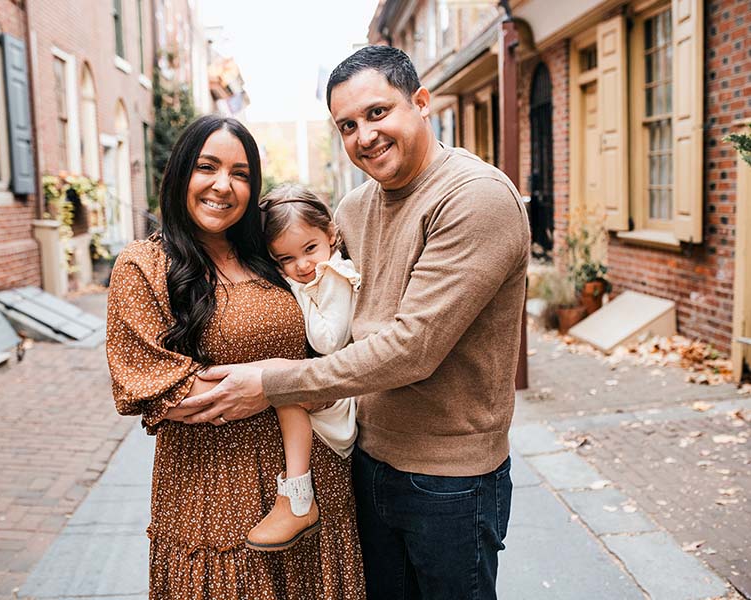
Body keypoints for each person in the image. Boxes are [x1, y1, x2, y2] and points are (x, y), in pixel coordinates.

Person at [180, 46, 530, 600]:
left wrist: (273, 383)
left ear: (420, 102)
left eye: (377, 113)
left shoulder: (475, 199)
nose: (364, 135)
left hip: (449, 478)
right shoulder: (351, 210)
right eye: (347, 125)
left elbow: (413, 348)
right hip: (366, 459)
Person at [105, 114, 365, 599]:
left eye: (240, 174)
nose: (223, 185)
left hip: (315, 484)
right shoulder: (144, 266)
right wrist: (281, 383)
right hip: (214, 491)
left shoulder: (272, 254)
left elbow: (333, 342)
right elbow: (158, 387)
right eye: (208, 167)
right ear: (181, 172)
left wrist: (285, 380)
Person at [246, 183, 360, 552]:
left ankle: (297, 496)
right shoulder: (315, 277)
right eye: (286, 260)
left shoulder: (335, 277)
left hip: (340, 395)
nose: (302, 265)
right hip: (329, 382)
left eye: (310, 248)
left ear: (330, 235)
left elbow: (328, 339)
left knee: (284, 388)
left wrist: (294, 290)